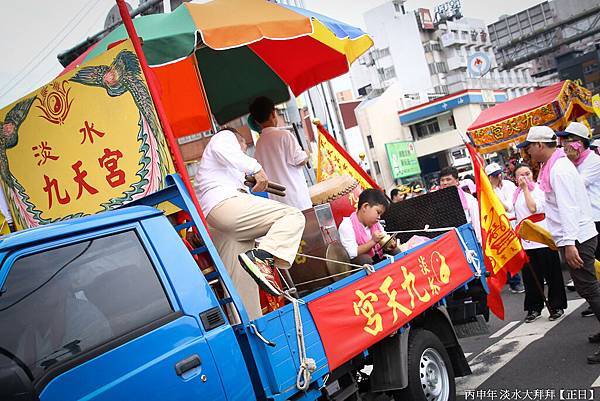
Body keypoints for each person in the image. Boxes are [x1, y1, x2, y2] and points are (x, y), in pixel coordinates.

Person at [195, 128, 306, 320]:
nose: (244, 153)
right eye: (245, 148)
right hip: (225, 205)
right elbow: (227, 150)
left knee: (241, 283)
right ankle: (263, 258)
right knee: (292, 216)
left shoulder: (221, 171)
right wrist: (256, 168)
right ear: (239, 141)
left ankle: (249, 327)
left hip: (216, 218)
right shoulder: (224, 138)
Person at [518, 125, 600, 364]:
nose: (528, 153)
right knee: (587, 287)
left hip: (578, 236)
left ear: (540, 145)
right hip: (574, 235)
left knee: (589, 288)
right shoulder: (551, 165)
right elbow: (551, 204)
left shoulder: (559, 168)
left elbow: (568, 207)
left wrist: (570, 243)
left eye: (530, 147)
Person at [512, 163, 567, 322]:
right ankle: (534, 307)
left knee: (552, 274)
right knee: (531, 276)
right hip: (526, 241)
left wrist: (526, 189)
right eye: (520, 175)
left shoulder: (538, 190)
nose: (524, 177)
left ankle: (557, 305)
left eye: (527, 173)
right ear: (515, 179)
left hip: (542, 237)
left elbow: (533, 208)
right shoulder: (516, 194)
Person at [557, 122, 600, 318]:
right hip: (585, 223)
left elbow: (578, 185)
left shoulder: (593, 161)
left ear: (580, 143)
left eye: (569, 140)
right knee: (590, 273)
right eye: (563, 140)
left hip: (597, 219)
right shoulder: (572, 163)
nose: (564, 144)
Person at [249, 96, 312, 210]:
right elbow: (300, 160)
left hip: (278, 203)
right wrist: (307, 153)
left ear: (257, 121)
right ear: (273, 114)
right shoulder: (284, 135)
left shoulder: (259, 144)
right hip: (297, 198)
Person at [485, 162, 524, 293]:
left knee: (524, 251)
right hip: (502, 226)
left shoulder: (509, 185)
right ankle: (515, 282)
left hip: (517, 220)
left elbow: (510, 205)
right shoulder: (488, 192)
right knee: (508, 254)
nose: (499, 177)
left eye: (499, 174)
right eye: (495, 176)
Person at [338, 189, 399, 265]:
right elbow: (352, 253)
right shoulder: (347, 225)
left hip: (377, 257)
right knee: (365, 259)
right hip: (362, 264)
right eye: (378, 212)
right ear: (365, 207)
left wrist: (390, 243)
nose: (379, 217)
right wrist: (373, 242)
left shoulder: (376, 223)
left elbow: (384, 236)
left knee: (396, 251)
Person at [439, 166, 481, 243]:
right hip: (448, 241)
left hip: (468, 238)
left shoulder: (468, 198)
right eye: (442, 180)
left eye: (448, 179)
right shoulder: (437, 201)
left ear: (457, 181)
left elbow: (476, 222)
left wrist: (480, 241)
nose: (445, 183)